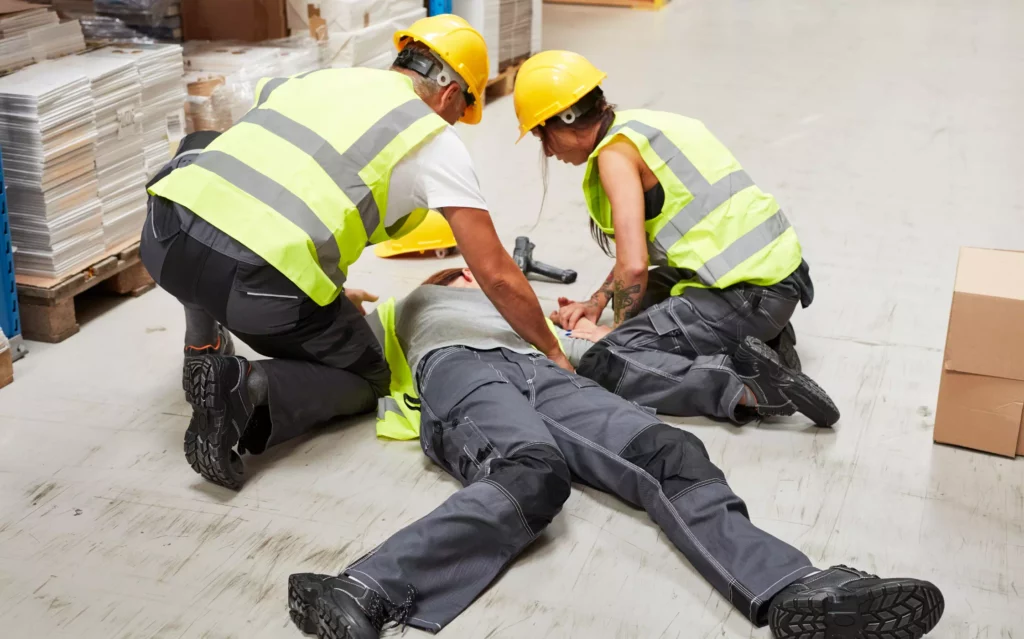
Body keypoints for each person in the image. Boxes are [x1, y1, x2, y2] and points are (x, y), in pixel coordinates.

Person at [286, 268, 944, 639]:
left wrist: (721, 382)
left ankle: (798, 587)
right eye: (454, 265)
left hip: (549, 371)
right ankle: (364, 586)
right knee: (530, 472)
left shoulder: (523, 306)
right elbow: (334, 350)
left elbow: (607, 360)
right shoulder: (409, 304)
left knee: (671, 451)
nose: (466, 269)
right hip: (459, 371)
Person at [140, 15, 572, 491]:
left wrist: (329, 288)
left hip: (163, 239)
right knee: (371, 377)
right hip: (254, 286)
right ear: (451, 93)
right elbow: (496, 274)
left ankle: (200, 346)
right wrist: (552, 350)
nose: (456, 123)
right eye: (463, 109)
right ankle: (244, 387)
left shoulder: (318, 79)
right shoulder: (431, 138)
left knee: (210, 179)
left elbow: (265, 180)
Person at [512, 50, 839, 427]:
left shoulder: (614, 157)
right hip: (774, 281)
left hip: (749, 295)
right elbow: (635, 259)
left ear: (565, 119)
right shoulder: (642, 127)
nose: (548, 151)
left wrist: (613, 333)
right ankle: (765, 342)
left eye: (542, 135)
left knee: (607, 360)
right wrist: (597, 301)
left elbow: (634, 266)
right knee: (649, 302)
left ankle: (750, 386)